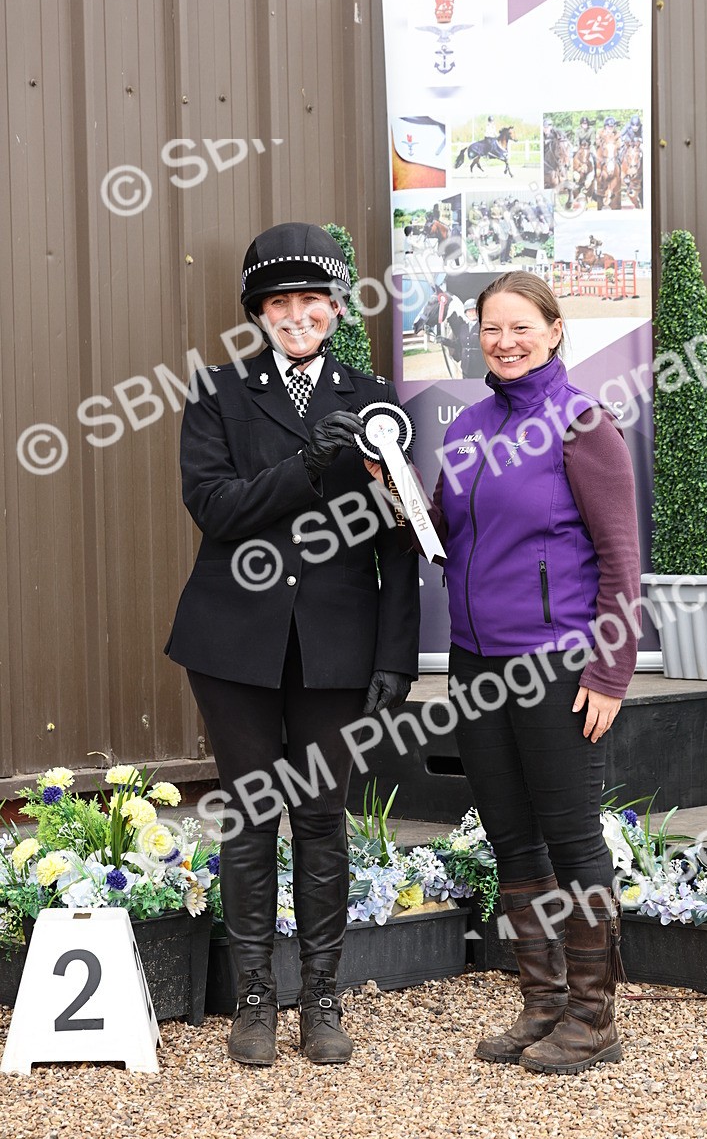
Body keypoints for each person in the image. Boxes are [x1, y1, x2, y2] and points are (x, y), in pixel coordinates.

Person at [165, 222, 420, 1067]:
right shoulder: (217, 394)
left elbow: (399, 539)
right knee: (248, 818)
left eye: (313, 299)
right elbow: (218, 509)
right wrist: (308, 463)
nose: (299, 313)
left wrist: (394, 655)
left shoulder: (376, 397)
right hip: (233, 643)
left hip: (335, 649)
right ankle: (252, 1000)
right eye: (282, 301)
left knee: (320, 818)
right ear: (260, 314)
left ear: (338, 307)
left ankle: (321, 998)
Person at [375, 271, 640, 1075]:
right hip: (476, 665)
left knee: (571, 836)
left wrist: (610, 672)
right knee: (511, 836)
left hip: (559, 665)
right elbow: (451, 536)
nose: (505, 340)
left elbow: (623, 561)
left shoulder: (582, 424)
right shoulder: (468, 428)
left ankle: (594, 1018)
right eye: (492, 328)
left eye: (521, 326)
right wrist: (396, 490)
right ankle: (543, 1002)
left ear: (556, 331)